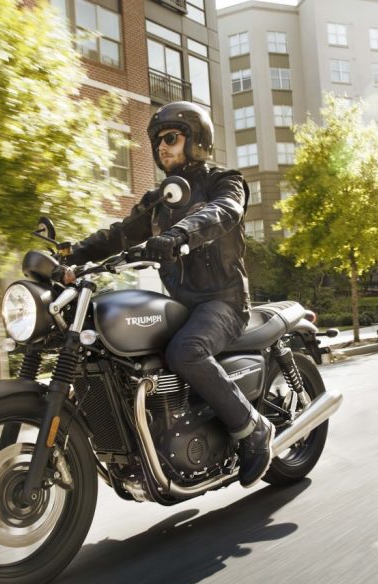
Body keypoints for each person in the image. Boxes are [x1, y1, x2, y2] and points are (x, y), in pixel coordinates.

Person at [62, 101, 274, 487]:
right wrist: (70, 255)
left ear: (197, 140)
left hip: (222, 302)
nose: (162, 147)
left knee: (185, 351)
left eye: (171, 138)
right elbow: (119, 235)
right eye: (158, 141)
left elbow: (224, 211)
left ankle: (252, 428)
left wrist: (177, 235)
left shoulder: (223, 180)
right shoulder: (160, 199)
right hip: (178, 305)